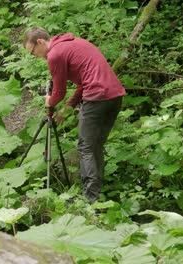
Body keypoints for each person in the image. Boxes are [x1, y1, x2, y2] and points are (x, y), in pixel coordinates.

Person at [23, 27, 126, 203]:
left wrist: (49, 102)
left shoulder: (55, 55)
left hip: (97, 97)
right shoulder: (73, 43)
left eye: (33, 52)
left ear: (40, 42)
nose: (34, 56)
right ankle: (96, 193)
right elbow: (81, 84)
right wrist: (68, 108)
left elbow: (59, 92)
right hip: (114, 96)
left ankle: (89, 199)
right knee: (96, 145)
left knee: (85, 147)